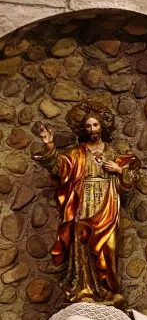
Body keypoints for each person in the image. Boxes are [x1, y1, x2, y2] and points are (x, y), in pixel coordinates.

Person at [33, 102, 137, 304]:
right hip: (83, 205)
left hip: (107, 205)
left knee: (108, 247)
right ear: (84, 129)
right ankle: (84, 289)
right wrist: (49, 145)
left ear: (102, 127)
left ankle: (107, 290)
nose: (92, 129)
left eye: (95, 125)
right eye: (88, 126)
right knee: (82, 245)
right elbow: (59, 167)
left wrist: (119, 170)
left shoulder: (112, 153)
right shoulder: (77, 152)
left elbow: (130, 181)